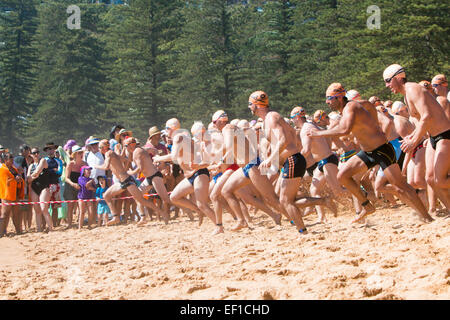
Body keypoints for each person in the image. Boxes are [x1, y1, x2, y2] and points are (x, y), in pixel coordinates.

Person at [308, 82, 433, 223]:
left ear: (338, 98)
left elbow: (345, 130)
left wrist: (318, 134)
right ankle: (367, 206)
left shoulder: (351, 107)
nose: (327, 102)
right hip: (368, 153)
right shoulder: (355, 106)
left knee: (401, 186)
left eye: (329, 98)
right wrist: (372, 122)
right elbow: (368, 105)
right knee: (343, 176)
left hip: (382, 151)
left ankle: (427, 217)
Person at [383, 65, 450, 211]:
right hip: (433, 138)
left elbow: (427, 116)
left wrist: (414, 141)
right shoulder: (406, 94)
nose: (387, 85)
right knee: (430, 180)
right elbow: (421, 122)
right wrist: (412, 137)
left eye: (388, 81)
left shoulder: (413, 89)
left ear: (398, 78)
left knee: (440, 180)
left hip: (445, 135)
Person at [154, 118, 217, 226]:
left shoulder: (178, 137)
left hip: (199, 172)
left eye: (167, 129)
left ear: (172, 129)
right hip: (191, 175)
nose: (166, 132)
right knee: (174, 197)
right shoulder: (183, 137)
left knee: (202, 204)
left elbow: (174, 157)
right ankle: (198, 211)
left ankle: (219, 225)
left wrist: (158, 158)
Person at [93, 139, 163, 226]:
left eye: (100, 147)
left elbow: (106, 167)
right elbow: (126, 159)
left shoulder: (108, 153)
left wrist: (96, 166)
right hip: (122, 181)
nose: (99, 149)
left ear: (103, 147)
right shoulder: (112, 153)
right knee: (106, 196)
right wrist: (124, 168)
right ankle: (116, 217)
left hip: (126, 180)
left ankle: (160, 213)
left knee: (140, 199)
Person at [124, 136, 171, 225]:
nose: (125, 148)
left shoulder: (136, 152)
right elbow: (154, 150)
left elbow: (140, 168)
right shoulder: (141, 149)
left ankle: (188, 210)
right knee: (138, 196)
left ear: (130, 146)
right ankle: (143, 217)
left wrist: (131, 172)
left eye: (126, 146)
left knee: (166, 199)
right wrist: (157, 159)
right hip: (149, 177)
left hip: (154, 176)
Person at [28, 148, 54, 232]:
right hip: (34, 188)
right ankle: (39, 229)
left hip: (44, 187)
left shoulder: (42, 160)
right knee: (37, 210)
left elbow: (37, 171)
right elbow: (28, 179)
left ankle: (50, 228)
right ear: (30, 155)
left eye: (37, 152)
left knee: (44, 209)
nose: (36, 154)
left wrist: (33, 176)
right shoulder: (31, 165)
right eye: (33, 153)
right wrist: (33, 176)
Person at [0, 153, 25, 236]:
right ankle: (1, 232)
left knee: (16, 213)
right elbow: (5, 182)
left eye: (12, 157)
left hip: (16, 194)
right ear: (5, 159)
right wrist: (15, 180)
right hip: (7, 195)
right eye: (10, 158)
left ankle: (19, 231)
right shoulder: (2, 169)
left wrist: (19, 179)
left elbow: (19, 179)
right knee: (4, 214)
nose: (12, 159)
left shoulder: (14, 169)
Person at [63, 145, 86, 228]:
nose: (81, 154)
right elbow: (66, 178)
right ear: (75, 154)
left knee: (81, 206)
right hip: (70, 186)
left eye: (81, 152)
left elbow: (86, 176)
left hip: (80, 186)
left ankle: (80, 224)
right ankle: (69, 225)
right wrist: (73, 184)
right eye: (79, 153)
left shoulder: (84, 164)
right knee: (70, 206)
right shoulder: (70, 164)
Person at [14, 144, 32, 232]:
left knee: (22, 207)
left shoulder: (15, 158)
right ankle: (23, 227)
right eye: (28, 150)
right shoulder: (21, 159)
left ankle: (22, 226)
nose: (29, 152)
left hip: (19, 186)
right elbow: (20, 169)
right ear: (24, 151)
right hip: (22, 187)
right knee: (23, 208)